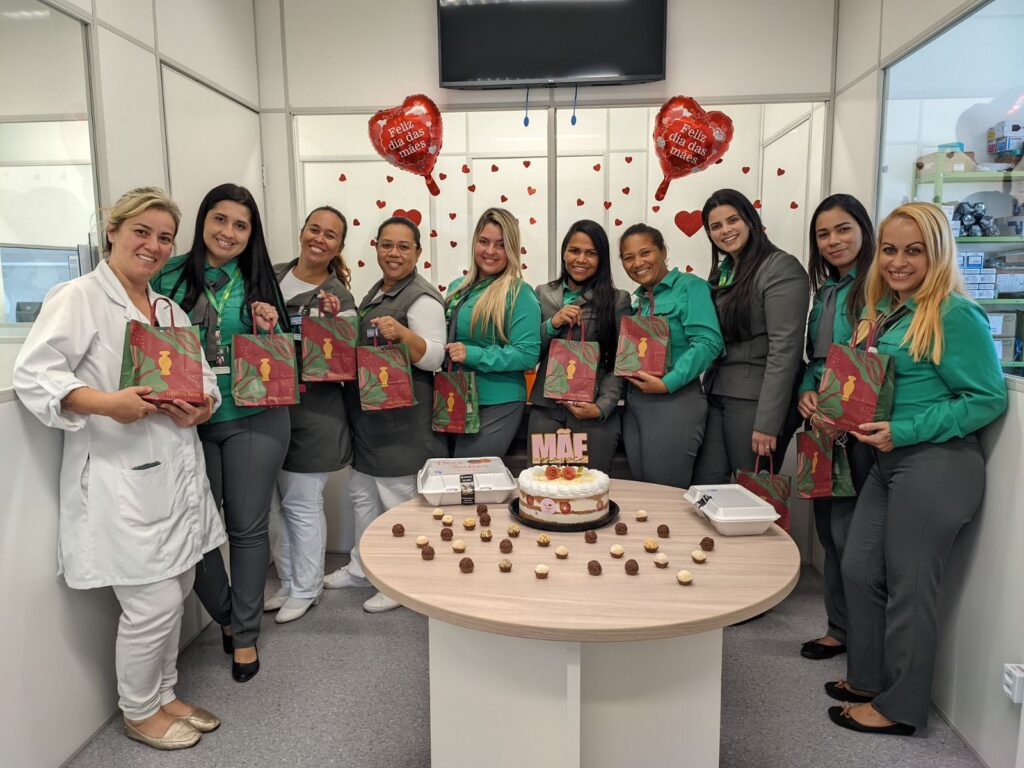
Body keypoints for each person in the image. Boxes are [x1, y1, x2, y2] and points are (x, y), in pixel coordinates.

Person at [14, 187, 226, 750]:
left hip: (174, 470)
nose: (153, 246)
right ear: (113, 232)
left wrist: (203, 406)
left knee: (181, 584)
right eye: (142, 232)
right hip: (120, 479)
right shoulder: (78, 297)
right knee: (152, 603)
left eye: (164, 238)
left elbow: (204, 379)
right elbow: (35, 375)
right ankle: (138, 710)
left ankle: (165, 693)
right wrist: (108, 404)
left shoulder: (168, 309)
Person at [827, 202, 1007, 736]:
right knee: (859, 568)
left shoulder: (954, 313)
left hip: (936, 465)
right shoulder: (887, 311)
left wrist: (904, 431)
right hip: (888, 462)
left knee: (909, 586)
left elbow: (987, 398)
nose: (898, 262)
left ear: (938, 254)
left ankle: (901, 708)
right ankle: (868, 679)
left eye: (914, 251)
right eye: (889, 250)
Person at [152, 183, 290, 682]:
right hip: (186, 419)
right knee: (196, 529)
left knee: (247, 528)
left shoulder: (260, 280)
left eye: (240, 225)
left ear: (252, 234)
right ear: (203, 221)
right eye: (220, 219)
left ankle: (246, 635)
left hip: (255, 416)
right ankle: (228, 615)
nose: (228, 232)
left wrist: (269, 327)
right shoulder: (167, 274)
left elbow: (284, 357)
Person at [323, 216, 446, 612]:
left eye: (403, 246)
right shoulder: (379, 290)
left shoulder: (422, 298)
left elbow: (435, 358)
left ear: (417, 252)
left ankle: (399, 581)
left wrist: (404, 334)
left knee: (397, 502)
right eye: (387, 245)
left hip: (402, 422)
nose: (394, 253)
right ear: (376, 247)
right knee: (361, 495)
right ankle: (362, 568)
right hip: (369, 419)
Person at [264, 206, 356, 624]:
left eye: (330, 235)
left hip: (315, 412)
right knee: (273, 506)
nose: (319, 238)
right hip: (266, 406)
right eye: (314, 229)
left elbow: (346, 363)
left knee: (301, 503)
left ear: (339, 246)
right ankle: (287, 581)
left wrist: (331, 325)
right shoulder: (270, 276)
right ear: (302, 231)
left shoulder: (341, 299)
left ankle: (307, 588)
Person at [796, 194, 877, 660]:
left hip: (862, 427)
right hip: (822, 424)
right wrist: (806, 390)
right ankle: (839, 628)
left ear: (864, 229)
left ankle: (863, 639)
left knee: (853, 536)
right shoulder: (825, 292)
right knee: (828, 531)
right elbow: (817, 359)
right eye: (823, 234)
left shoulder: (880, 288)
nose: (833, 241)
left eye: (843, 229)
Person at [693, 188, 809, 483]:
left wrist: (768, 423)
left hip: (754, 400)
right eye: (716, 226)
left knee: (752, 492)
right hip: (717, 393)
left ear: (750, 220)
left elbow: (785, 350)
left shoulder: (780, 267)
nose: (725, 230)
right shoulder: (725, 271)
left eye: (732, 220)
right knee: (706, 485)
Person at [617, 223, 724, 487]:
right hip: (635, 404)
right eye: (628, 257)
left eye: (645, 253)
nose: (637, 263)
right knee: (643, 488)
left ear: (663, 251)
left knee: (664, 492)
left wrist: (668, 383)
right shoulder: (637, 302)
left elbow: (709, 342)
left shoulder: (690, 287)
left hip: (674, 401)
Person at [528, 220, 631, 473]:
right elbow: (529, 352)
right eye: (574, 250)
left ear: (601, 259)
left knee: (589, 485)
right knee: (543, 483)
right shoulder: (542, 293)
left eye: (591, 253)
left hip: (591, 412)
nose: (581, 259)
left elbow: (622, 360)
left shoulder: (617, 300)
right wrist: (552, 324)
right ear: (564, 252)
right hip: (547, 409)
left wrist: (601, 406)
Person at [445, 207, 541, 458]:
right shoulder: (457, 288)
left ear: (511, 249)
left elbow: (527, 355)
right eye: (484, 241)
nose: (490, 251)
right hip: (454, 397)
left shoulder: (520, 293)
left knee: (471, 474)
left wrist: (472, 354)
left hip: (497, 401)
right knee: (452, 474)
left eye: (500, 245)